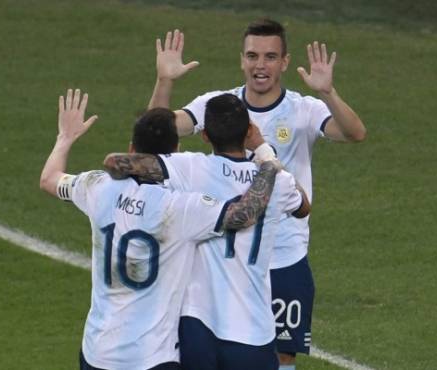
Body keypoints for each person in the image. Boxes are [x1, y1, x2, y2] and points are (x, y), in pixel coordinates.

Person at [146, 20, 367, 369]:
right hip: (219, 261)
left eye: (269, 57)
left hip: (283, 256)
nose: (259, 65)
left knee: (282, 357)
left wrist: (327, 92)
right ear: (241, 60)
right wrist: (165, 81)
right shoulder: (218, 106)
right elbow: (156, 133)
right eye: (252, 56)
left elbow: (354, 133)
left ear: (283, 61)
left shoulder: (303, 109)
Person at [39, 88, 284, 370]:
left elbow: (49, 179)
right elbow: (244, 213)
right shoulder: (181, 209)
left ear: (132, 148)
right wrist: (267, 164)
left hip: (97, 352)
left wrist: (65, 138)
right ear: (175, 152)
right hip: (152, 358)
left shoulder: (96, 186)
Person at [104, 93, 311, 370]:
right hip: (253, 328)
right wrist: (263, 150)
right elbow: (304, 207)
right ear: (249, 130)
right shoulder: (278, 181)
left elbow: (118, 162)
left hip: (197, 326)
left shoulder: (190, 168)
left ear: (205, 136)